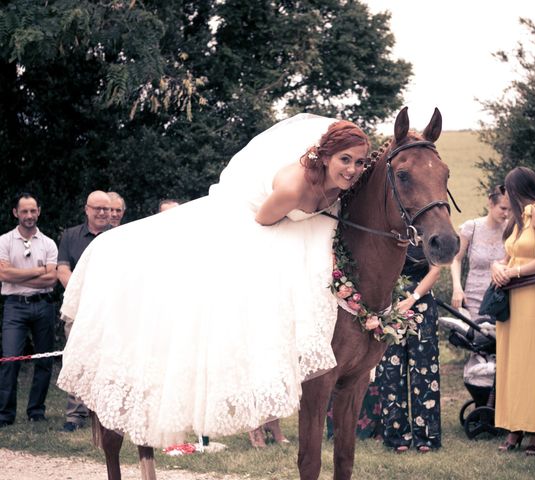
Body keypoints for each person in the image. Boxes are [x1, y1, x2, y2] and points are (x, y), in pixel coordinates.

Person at [56, 114, 369, 447]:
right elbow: (264, 221)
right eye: (344, 159)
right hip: (257, 225)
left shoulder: (349, 183)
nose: (351, 169)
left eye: (359, 162)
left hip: (297, 226)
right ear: (324, 157)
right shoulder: (294, 188)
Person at [490, 166, 535, 455]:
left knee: (532, 359)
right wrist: (497, 267)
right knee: (512, 361)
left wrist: (515, 271)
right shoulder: (517, 218)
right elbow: (508, 254)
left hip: (533, 295)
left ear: (518, 188)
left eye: (507, 189)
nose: (506, 196)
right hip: (512, 296)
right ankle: (514, 425)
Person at [376, 244, 441, 453]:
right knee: (390, 371)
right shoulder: (389, 226)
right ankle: (396, 435)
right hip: (390, 303)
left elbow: (436, 269)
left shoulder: (428, 229)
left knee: (425, 370)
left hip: (421, 303)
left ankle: (427, 436)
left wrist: (413, 298)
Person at [0, 193, 58, 428]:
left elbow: (52, 278)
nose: (29, 215)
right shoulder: (4, 241)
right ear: (16, 213)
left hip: (44, 305)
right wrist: (37, 272)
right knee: (10, 359)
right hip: (15, 307)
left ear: (39, 212)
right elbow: (3, 275)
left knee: (44, 360)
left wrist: (18, 275)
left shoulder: (48, 243)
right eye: (24, 211)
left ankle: (36, 411)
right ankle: (5, 414)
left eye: (33, 211)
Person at [57, 190, 112, 432]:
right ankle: (75, 415)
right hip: (79, 309)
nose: (102, 213)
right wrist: (82, 296)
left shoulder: (119, 237)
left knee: (108, 361)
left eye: (106, 209)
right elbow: (62, 270)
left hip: (109, 312)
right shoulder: (70, 236)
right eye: (97, 208)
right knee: (77, 360)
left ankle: (105, 414)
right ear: (86, 209)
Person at [450, 185, 510, 320]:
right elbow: (456, 259)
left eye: (510, 210)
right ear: (491, 203)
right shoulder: (472, 227)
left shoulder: (511, 229)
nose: (506, 214)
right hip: (473, 298)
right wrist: (457, 288)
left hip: (501, 299)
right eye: (503, 208)